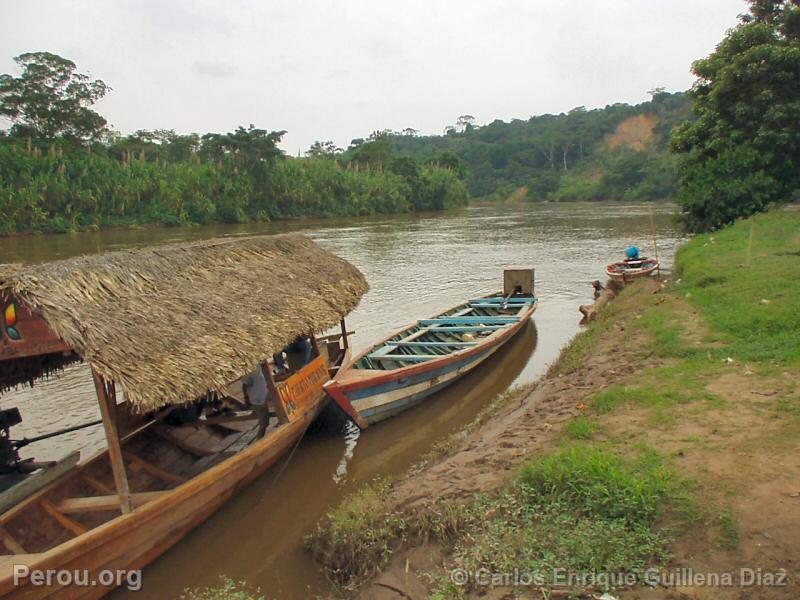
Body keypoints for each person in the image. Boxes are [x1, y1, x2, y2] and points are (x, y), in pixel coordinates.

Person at [242, 365, 270, 438]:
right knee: (264, 423)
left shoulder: (260, 367)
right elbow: (244, 385)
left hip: (265, 395)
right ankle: (259, 440)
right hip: (257, 400)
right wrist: (246, 398)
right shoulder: (248, 370)